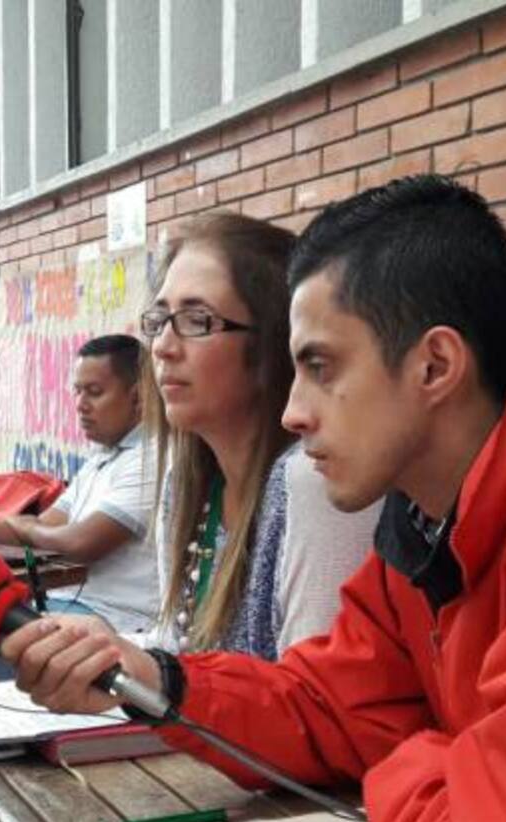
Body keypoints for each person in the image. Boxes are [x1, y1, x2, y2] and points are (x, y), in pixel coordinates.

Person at [0, 176, 506, 822]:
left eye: (321, 367)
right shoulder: (429, 513)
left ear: (436, 366)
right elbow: (329, 708)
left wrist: (423, 759)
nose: (293, 412)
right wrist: (157, 679)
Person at [139, 212, 379, 658]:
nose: (163, 347)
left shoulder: (314, 479)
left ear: (273, 344)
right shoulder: (186, 485)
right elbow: (176, 650)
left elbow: (315, 705)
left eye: (198, 320)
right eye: (159, 318)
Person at [0, 334, 160, 632]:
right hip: (66, 608)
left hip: (117, 623)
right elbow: (43, 526)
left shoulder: (153, 460)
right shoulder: (102, 458)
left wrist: (31, 528)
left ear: (138, 398)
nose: (80, 405)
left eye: (94, 392)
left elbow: (79, 544)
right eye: (77, 392)